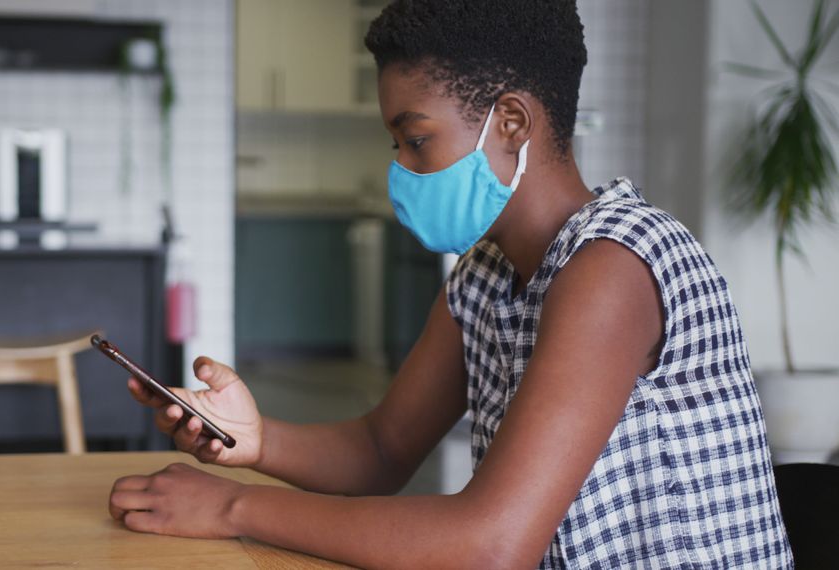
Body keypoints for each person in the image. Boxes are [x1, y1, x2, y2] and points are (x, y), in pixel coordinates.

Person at [108, 0, 793, 567]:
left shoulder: (613, 268)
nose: (400, 169)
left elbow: (491, 544)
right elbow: (381, 450)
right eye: (395, 144)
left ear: (512, 123)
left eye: (416, 138)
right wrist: (256, 441)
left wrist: (231, 507)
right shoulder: (484, 276)